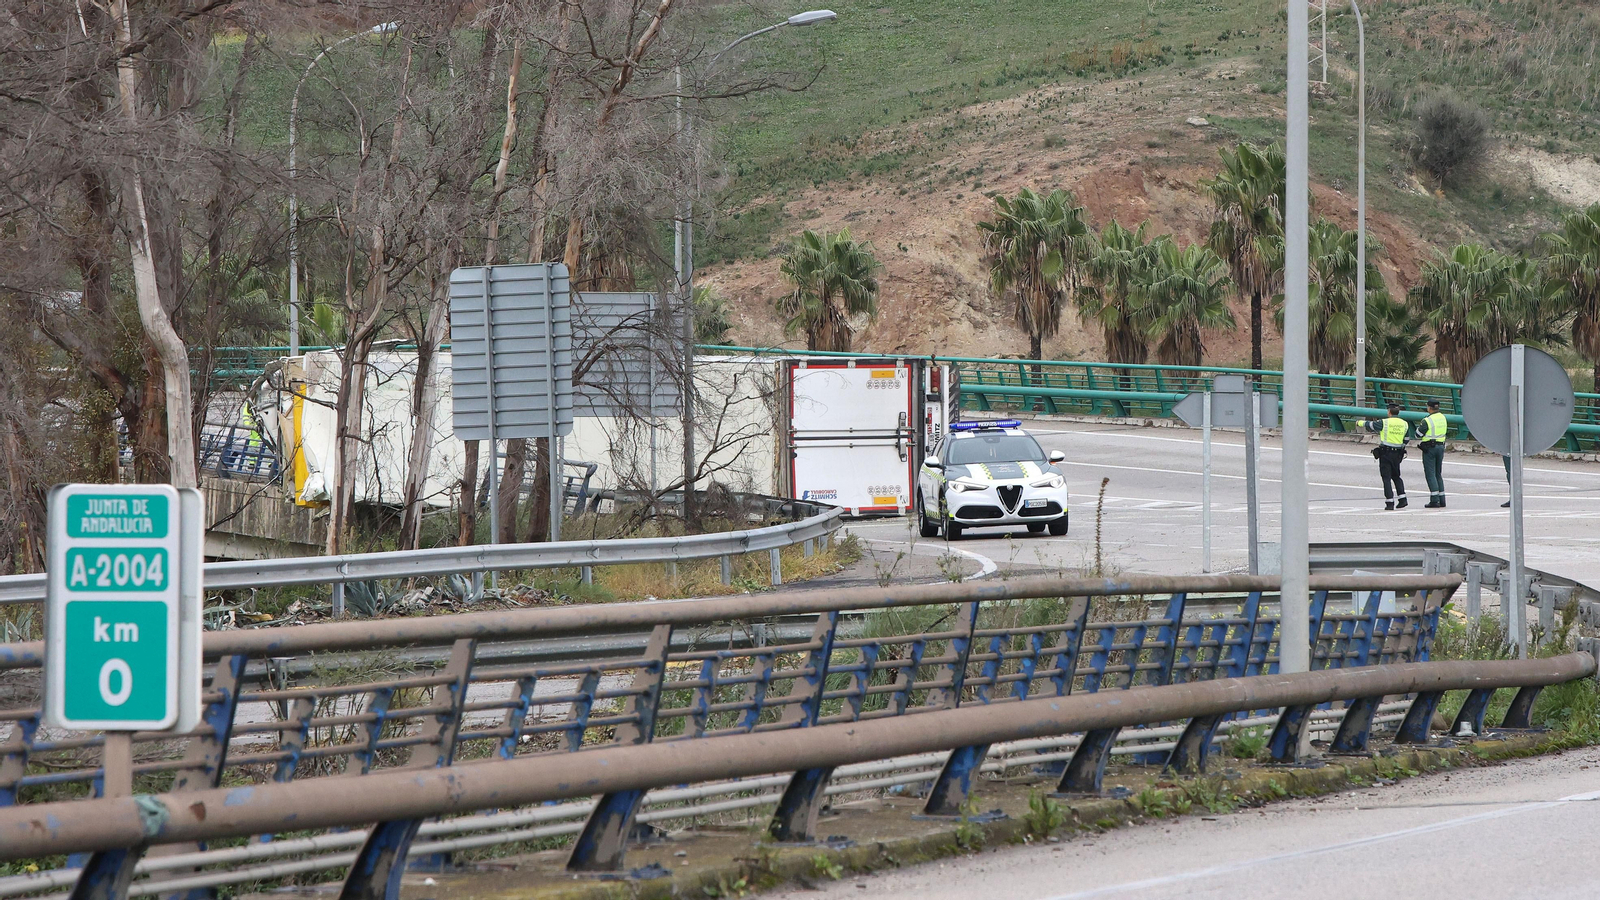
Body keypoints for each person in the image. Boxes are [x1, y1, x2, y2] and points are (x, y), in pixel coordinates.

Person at [1356, 403, 1409, 510]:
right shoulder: (1404, 424)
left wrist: (1359, 422)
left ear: (1389, 412)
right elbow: (1406, 439)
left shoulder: (1384, 422)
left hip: (1386, 453)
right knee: (1396, 476)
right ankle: (1403, 499)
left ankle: (1390, 502)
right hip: (1397, 453)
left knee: (1386, 477)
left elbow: (1371, 425)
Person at [1415, 399, 1450, 507]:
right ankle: (1442, 499)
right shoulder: (1443, 417)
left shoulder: (1427, 420)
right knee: (1438, 473)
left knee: (1430, 474)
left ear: (1429, 407)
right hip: (1441, 446)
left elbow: (1418, 434)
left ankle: (1434, 500)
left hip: (1430, 448)